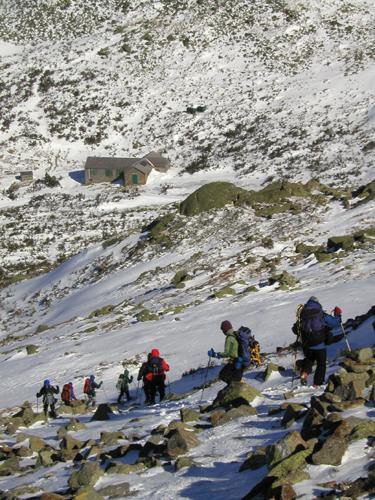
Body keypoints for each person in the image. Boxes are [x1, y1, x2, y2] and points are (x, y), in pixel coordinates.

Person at [292, 296, 343, 387]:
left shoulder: (302, 314)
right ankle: (317, 383)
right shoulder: (320, 314)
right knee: (321, 363)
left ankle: (304, 373)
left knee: (309, 359)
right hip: (319, 344)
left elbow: (295, 329)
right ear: (317, 303)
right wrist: (338, 315)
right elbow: (335, 323)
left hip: (307, 343)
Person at [208, 320, 244, 385]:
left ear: (225, 330)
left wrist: (215, 354)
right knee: (235, 378)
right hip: (240, 362)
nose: (222, 332)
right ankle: (235, 387)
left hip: (235, 362)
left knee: (223, 375)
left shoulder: (229, 338)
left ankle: (232, 388)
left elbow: (227, 353)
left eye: (222, 330)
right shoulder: (235, 334)